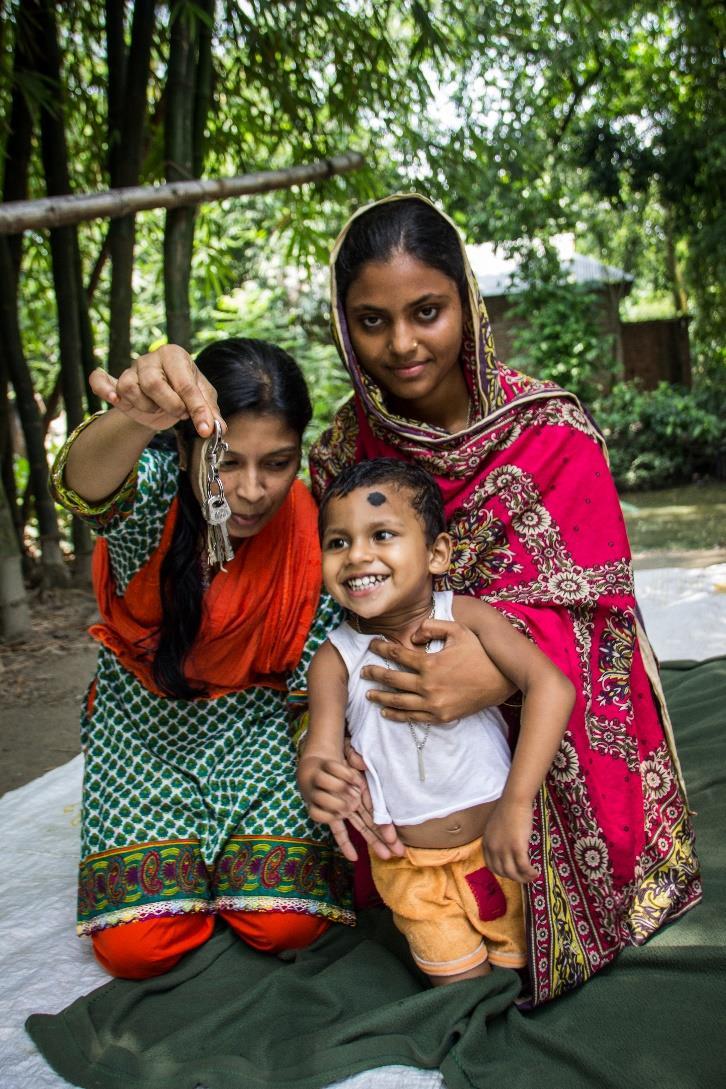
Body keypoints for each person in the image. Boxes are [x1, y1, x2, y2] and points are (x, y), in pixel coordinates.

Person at [309, 193, 702, 1005]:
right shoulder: (344, 454)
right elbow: (328, 624)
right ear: (346, 328)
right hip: (400, 728)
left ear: (467, 301)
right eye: (372, 321)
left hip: (538, 707)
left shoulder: (552, 431)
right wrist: (326, 742)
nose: (403, 343)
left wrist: (495, 673)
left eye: (427, 311)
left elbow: (603, 612)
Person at [51, 337, 358, 980]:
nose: (251, 490)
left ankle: (221, 871)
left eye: (277, 463)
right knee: (138, 950)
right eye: (227, 462)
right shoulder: (156, 493)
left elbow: (316, 668)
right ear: (189, 445)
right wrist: (134, 416)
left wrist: (320, 750)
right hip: (141, 734)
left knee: (289, 925)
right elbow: (82, 487)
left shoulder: (312, 525)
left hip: (253, 733)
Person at [299, 459, 575, 986]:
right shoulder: (334, 659)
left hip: (501, 842)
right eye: (337, 543)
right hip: (409, 869)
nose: (357, 555)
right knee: (460, 986)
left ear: (437, 553)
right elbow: (322, 747)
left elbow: (551, 687)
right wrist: (316, 775)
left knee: (524, 973)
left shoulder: (467, 617)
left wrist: (517, 807)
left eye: (381, 534)